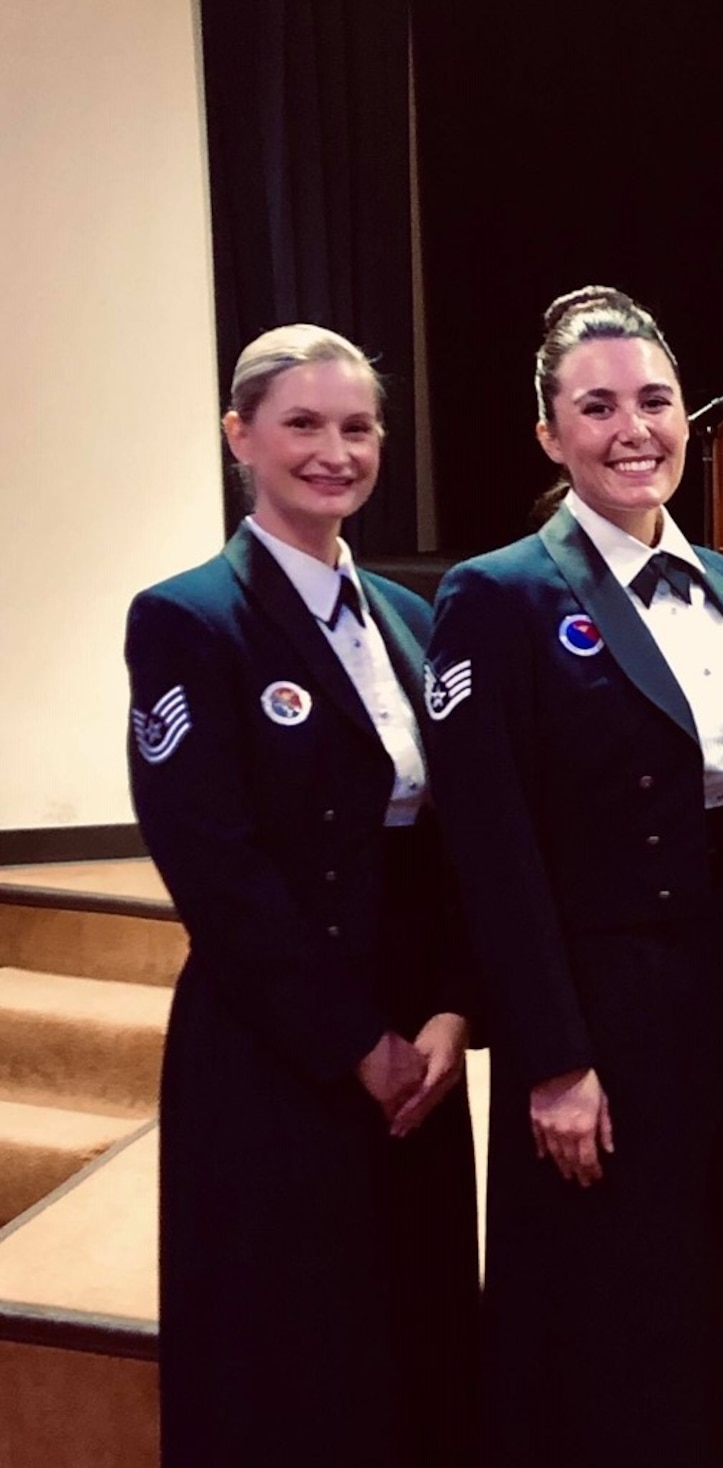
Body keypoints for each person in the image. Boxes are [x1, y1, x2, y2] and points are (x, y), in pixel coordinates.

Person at [422, 286, 723, 1466]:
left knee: (720, 1279)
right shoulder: (497, 595)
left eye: (653, 400)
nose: (632, 428)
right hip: (594, 1016)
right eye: (596, 407)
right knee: (604, 1311)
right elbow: (487, 850)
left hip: (713, 1007)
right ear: (549, 435)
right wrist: (551, 1059)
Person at [125, 325, 478, 1467]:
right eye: (303, 425)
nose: (335, 452)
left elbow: (451, 845)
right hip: (278, 1042)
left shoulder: (416, 621)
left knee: (411, 1333)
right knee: (285, 1351)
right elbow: (215, 867)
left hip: (414, 1047)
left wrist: (444, 1015)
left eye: (357, 427)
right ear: (241, 436)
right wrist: (352, 1042)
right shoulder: (189, 619)